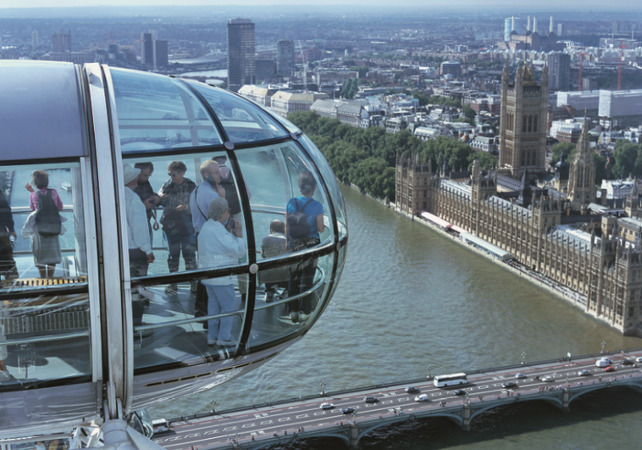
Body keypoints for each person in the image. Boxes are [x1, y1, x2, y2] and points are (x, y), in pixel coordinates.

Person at [198, 197, 246, 346]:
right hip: (221, 278)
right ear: (224, 212)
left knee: (213, 306)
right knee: (228, 305)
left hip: (208, 276)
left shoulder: (206, 227)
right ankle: (224, 337)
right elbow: (239, 252)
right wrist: (239, 234)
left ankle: (212, 336)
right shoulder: (219, 231)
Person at [285, 171, 325, 319]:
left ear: (299, 186)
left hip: (294, 245)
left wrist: (287, 244)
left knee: (293, 277)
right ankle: (304, 310)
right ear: (313, 187)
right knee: (307, 278)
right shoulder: (317, 206)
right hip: (311, 246)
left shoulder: (291, 202)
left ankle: (292, 311)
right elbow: (320, 228)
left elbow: (287, 226)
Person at [189, 160, 225, 318]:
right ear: (206, 174)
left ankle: (200, 308)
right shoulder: (211, 194)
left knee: (205, 272)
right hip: (211, 237)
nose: (220, 175)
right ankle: (206, 310)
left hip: (200, 235)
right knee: (211, 274)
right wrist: (222, 198)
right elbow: (223, 217)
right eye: (216, 172)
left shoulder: (196, 191)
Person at [124, 164, 155, 328]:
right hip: (135, 252)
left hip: (119, 251)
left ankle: (126, 325)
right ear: (133, 180)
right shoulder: (133, 200)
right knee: (136, 291)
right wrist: (148, 251)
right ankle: (135, 327)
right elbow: (140, 230)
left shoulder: (114, 196)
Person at [159, 161, 196, 294]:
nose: (171, 177)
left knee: (189, 255)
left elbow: (197, 204)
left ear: (182, 173)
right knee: (173, 255)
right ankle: (173, 283)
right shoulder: (166, 185)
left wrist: (185, 207)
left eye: (173, 174)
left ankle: (193, 283)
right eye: (169, 174)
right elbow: (160, 200)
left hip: (187, 225)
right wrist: (161, 198)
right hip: (171, 225)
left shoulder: (191, 186)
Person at [25, 170, 63, 279]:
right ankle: (50, 277)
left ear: (35, 183)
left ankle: (42, 278)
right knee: (52, 254)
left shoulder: (33, 195)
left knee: (40, 254)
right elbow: (60, 207)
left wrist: (32, 192)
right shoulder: (54, 192)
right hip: (53, 227)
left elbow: (33, 209)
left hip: (39, 229)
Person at [260, 219, 287, 302]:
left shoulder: (265, 240)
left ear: (271, 229)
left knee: (267, 265)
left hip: (269, 275)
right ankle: (286, 291)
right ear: (284, 230)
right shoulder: (287, 241)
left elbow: (263, 255)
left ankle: (269, 292)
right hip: (285, 273)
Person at [133, 162, 160, 241]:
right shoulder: (128, 185)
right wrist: (142, 206)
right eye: (145, 175)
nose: (147, 178)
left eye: (148, 175)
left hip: (145, 222)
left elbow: (150, 194)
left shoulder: (145, 183)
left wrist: (157, 198)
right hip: (135, 226)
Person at [0, 189, 18, 281]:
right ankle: (13, 291)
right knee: (8, 264)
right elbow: (5, 210)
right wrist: (11, 229)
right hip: (1, 233)